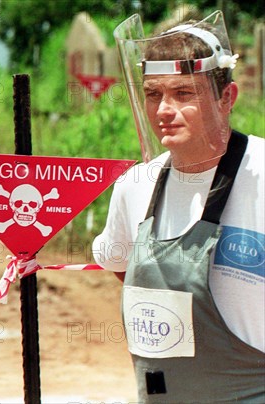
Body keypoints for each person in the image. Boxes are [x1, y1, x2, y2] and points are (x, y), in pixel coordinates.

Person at [93, 11, 264, 402]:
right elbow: (124, 268)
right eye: (153, 94)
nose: (164, 111)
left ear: (227, 97)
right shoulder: (135, 186)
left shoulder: (261, 176)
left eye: (183, 93)